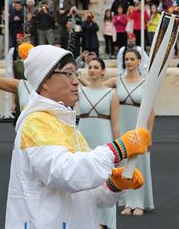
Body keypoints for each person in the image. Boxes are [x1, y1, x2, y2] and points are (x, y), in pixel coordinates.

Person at [5, 44, 151, 228]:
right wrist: (118, 150)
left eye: (76, 73)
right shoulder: (36, 123)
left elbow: (87, 191)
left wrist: (113, 185)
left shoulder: (65, 124)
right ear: (45, 81)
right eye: (68, 74)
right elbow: (64, 173)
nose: (76, 81)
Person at [105, 49, 154, 216]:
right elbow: (95, 86)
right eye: (126, 59)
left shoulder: (146, 83)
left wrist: (149, 135)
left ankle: (139, 202)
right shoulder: (117, 81)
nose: (129, 62)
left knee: (139, 163)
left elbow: (151, 111)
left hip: (139, 128)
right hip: (123, 125)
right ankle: (127, 202)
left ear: (139, 61)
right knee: (124, 163)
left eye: (132, 59)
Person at [77, 58, 120, 229]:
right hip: (83, 136)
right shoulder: (79, 91)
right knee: (84, 177)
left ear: (103, 71)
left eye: (96, 67)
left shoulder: (112, 94)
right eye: (90, 67)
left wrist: (119, 150)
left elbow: (116, 124)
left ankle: (106, 222)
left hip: (104, 136)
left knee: (104, 177)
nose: (92, 70)